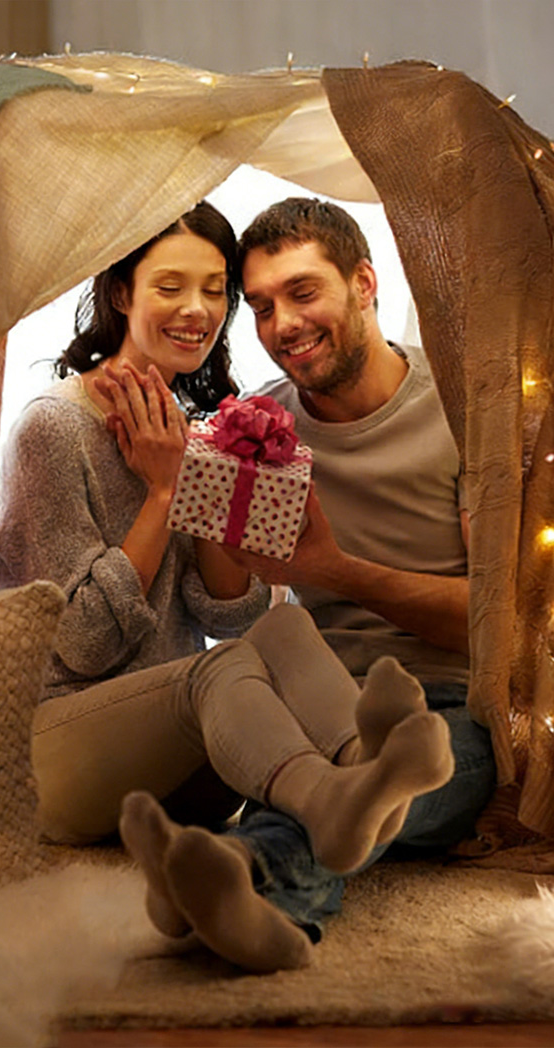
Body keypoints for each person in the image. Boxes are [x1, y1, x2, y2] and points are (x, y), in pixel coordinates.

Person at [0, 200, 455, 935]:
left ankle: (364, 769)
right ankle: (324, 795)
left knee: (283, 628)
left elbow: (225, 614)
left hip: (185, 768)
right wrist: (164, 493)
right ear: (122, 293)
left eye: (215, 290)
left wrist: (216, 474)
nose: (198, 310)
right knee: (222, 668)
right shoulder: (54, 427)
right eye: (170, 286)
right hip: (59, 760)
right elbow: (79, 644)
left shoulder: (194, 428)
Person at [118, 197, 496, 972]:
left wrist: (334, 572)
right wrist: (194, 497)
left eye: (301, 292)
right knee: (318, 783)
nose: (281, 323)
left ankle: (237, 875)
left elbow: (496, 628)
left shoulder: (465, 411)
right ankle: (248, 888)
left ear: (364, 283)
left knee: (384, 776)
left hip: (450, 704)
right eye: (259, 307)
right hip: (315, 698)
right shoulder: (259, 423)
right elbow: (231, 602)